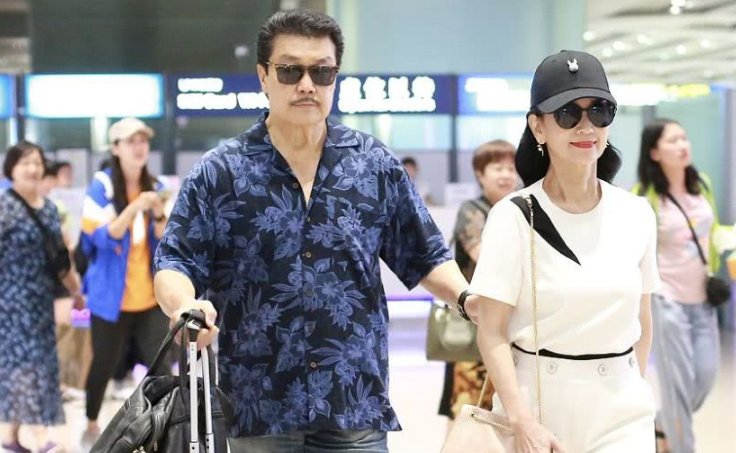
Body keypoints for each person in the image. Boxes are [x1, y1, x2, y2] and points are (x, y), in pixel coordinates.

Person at [153, 10, 468, 453]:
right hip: (259, 407)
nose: (307, 84)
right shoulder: (221, 171)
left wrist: (470, 300)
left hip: (354, 402)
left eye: (321, 72)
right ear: (263, 76)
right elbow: (175, 261)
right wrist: (185, 306)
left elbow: (426, 254)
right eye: (290, 70)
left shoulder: (372, 164)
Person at [464, 50, 660, 452]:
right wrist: (521, 420)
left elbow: (642, 320)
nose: (586, 126)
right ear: (538, 126)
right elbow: (492, 331)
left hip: (623, 409)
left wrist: (634, 385)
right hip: (539, 406)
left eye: (599, 111)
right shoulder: (514, 216)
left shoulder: (636, 213)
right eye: (568, 113)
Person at [635, 118, 734, 453]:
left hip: (703, 298)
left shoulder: (701, 185)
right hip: (667, 300)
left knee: (704, 377)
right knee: (677, 386)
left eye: (684, 138)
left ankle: (661, 424)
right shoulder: (644, 196)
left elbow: (711, 232)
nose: (683, 145)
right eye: (673, 140)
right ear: (654, 152)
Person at [79, 118, 171, 445]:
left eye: (143, 141)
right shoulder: (101, 186)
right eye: (131, 141)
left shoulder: (158, 186)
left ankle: (164, 431)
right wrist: (134, 208)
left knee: (163, 367)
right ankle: (91, 424)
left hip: (150, 298)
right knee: (103, 364)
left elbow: (166, 238)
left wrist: (157, 211)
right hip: (110, 298)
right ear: (115, 148)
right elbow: (101, 237)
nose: (139, 147)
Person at [0, 141, 84, 453]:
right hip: (9, 303)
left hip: (40, 301)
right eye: (25, 163)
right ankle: (40, 437)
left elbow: (60, 259)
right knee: (27, 365)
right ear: (11, 169)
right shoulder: (3, 207)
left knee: (37, 364)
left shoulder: (49, 208)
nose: (33, 168)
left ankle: (10, 437)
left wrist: (76, 291)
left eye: (37, 162)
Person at [438, 140, 518, 421]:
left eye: (511, 168)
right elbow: (482, 256)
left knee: (505, 410)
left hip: (511, 323)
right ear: (480, 174)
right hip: (474, 321)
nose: (506, 175)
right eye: (498, 168)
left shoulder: (519, 209)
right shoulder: (472, 210)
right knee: (466, 408)